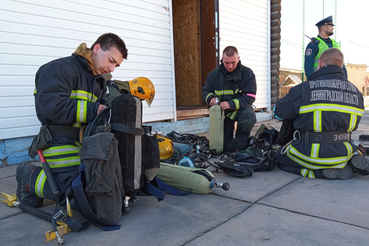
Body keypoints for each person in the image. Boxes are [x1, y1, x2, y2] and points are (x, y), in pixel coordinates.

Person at [16, 33, 128, 207]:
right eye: (111, 60)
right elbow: (50, 105)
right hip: (59, 141)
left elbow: (104, 112)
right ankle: (28, 176)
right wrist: (93, 110)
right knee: (78, 196)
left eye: (116, 65)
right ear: (97, 49)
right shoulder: (60, 68)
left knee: (104, 187)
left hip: (86, 142)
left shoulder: (98, 82)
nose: (112, 69)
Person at [275, 48, 368, 180]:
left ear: (320, 64)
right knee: (342, 149)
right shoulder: (357, 93)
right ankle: (350, 161)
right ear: (341, 66)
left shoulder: (304, 88)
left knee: (279, 157)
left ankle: (318, 173)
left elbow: (279, 112)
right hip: (343, 151)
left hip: (310, 152)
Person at [202, 46, 257, 148]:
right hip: (223, 112)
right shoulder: (214, 75)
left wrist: (230, 104)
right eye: (227, 63)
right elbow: (205, 92)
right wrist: (211, 99)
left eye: (233, 62)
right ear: (222, 59)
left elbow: (250, 96)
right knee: (224, 146)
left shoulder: (247, 73)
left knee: (248, 118)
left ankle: (241, 143)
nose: (230, 66)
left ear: (238, 59)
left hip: (240, 109)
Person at [304, 15, 348, 80]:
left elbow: (342, 64)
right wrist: (312, 82)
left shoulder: (335, 44)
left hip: (336, 80)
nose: (332, 28)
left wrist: (345, 78)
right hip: (320, 80)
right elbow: (308, 66)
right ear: (324, 28)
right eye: (330, 26)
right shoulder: (313, 45)